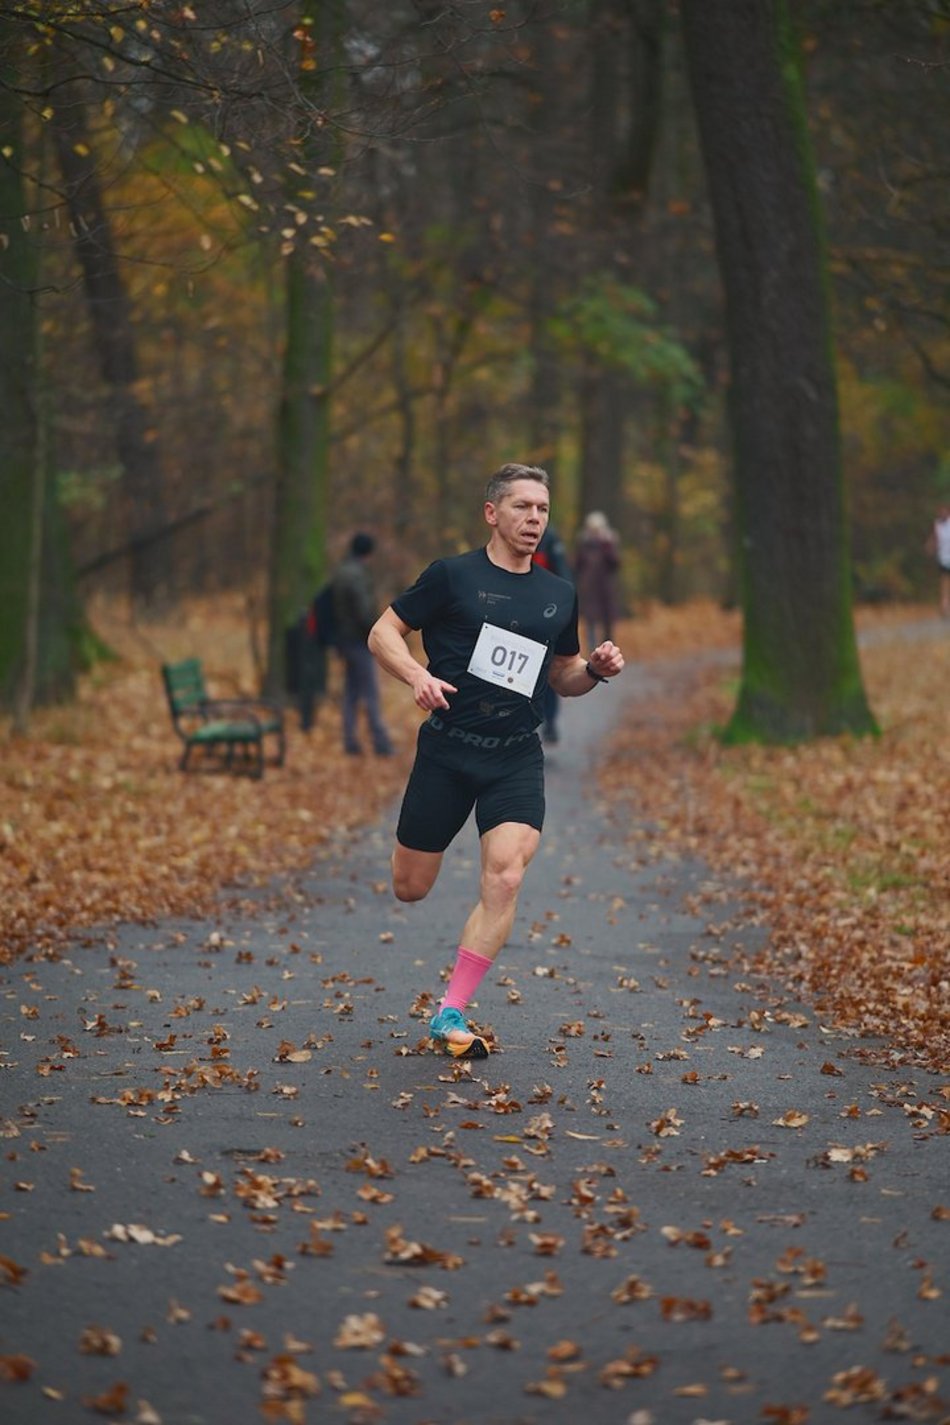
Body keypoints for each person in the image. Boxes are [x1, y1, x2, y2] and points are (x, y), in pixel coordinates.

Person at [367, 462, 624, 1058]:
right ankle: (425, 871)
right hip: (448, 749)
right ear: (492, 513)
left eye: (543, 510)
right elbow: (383, 631)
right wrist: (416, 675)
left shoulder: (558, 593)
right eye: (522, 507)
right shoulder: (451, 577)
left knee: (507, 874)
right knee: (410, 886)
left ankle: (450, 1010)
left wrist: (594, 670)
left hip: (514, 754)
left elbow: (561, 674)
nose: (535, 519)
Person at [332, 532, 393, 756]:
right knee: (370, 692)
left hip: (343, 639)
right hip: (359, 640)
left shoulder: (341, 571)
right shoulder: (357, 575)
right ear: (368, 553)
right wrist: (379, 631)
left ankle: (350, 741)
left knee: (351, 692)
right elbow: (363, 612)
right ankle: (381, 743)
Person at [532, 523, 573, 743]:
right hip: (517, 614)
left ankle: (550, 722)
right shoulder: (507, 539)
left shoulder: (550, 538)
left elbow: (564, 575)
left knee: (549, 671)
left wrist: (564, 609)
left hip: (547, 614)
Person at [574, 510, 622, 650]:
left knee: (608, 621)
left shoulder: (608, 543)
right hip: (589, 588)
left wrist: (608, 545)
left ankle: (608, 648)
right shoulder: (584, 544)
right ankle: (592, 648)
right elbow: (577, 565)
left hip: (605, 588)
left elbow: (615, 563)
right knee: (590, 620)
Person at [924, 503, 950, 619]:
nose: (942, 513)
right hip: (944, 558)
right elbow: (934, 538)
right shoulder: (937, 525)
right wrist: (930, 546)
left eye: (944, 511)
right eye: (940, 511)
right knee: (944, 583)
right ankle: (944, 607)